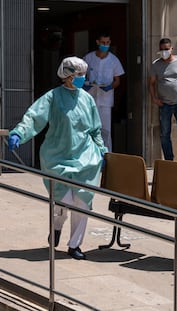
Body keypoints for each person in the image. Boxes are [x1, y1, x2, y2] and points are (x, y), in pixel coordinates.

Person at [8, 56, 107, 260]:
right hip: (57, 156)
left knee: (82, 200)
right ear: (68, 76)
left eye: (83, 75)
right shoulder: (52, 97)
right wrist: (19, 133)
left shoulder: (87, 99)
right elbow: (34, 117)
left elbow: (96, 128)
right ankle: (57, 226)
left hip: (85, 157)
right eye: (79, 75)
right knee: (63, 199)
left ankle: (74, 245)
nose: (82, 78)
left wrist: (101, 150)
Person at [149, 37, 177, 162]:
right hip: (164, 104)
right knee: (165, 134)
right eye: (162, 50)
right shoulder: (156, 64)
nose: (164, 52)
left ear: (171, 49)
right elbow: (151, 83)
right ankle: (169, 160)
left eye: (166, 49)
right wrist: (154, 98)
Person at [83, 31, 125, 152]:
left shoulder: (113, 60)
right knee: (89, 128)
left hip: (105, 100)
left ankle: (107, 155)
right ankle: (90, 154)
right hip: (90, 98)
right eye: (103, 42)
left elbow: (117, 80)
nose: (105, 45)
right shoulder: (89, 58)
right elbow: (81, 75)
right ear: (97, 42)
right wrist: (85, 85)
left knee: (105, 130)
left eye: (107, 43)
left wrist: (109, 87)